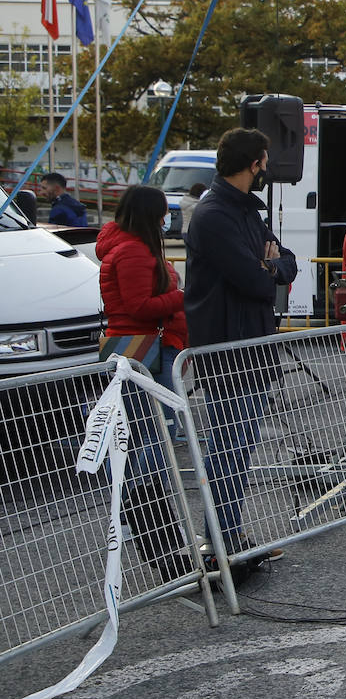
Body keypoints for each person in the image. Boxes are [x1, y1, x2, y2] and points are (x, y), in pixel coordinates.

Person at [184, 128, 298, 559]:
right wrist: (269, 268)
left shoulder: (246, 211)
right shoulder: (214, 214)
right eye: (266, 162)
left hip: (251, 343)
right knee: (228, 449)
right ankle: (220, 539)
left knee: (239, 448)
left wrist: (270, 266)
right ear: (255, 164)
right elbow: (256, 279)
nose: (268, 170)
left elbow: (286, 262)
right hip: (228, 347)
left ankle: (229, 535)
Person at [96, 184, 194, 582]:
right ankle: (137, 497)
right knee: (155, 437)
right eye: (163, 213)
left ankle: (140, 496)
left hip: (142, 348)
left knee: (150, 435)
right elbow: (139, 306)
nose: (167, 219)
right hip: (142, 351)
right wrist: (182, 297)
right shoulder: (135, 250)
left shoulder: (125, 246)